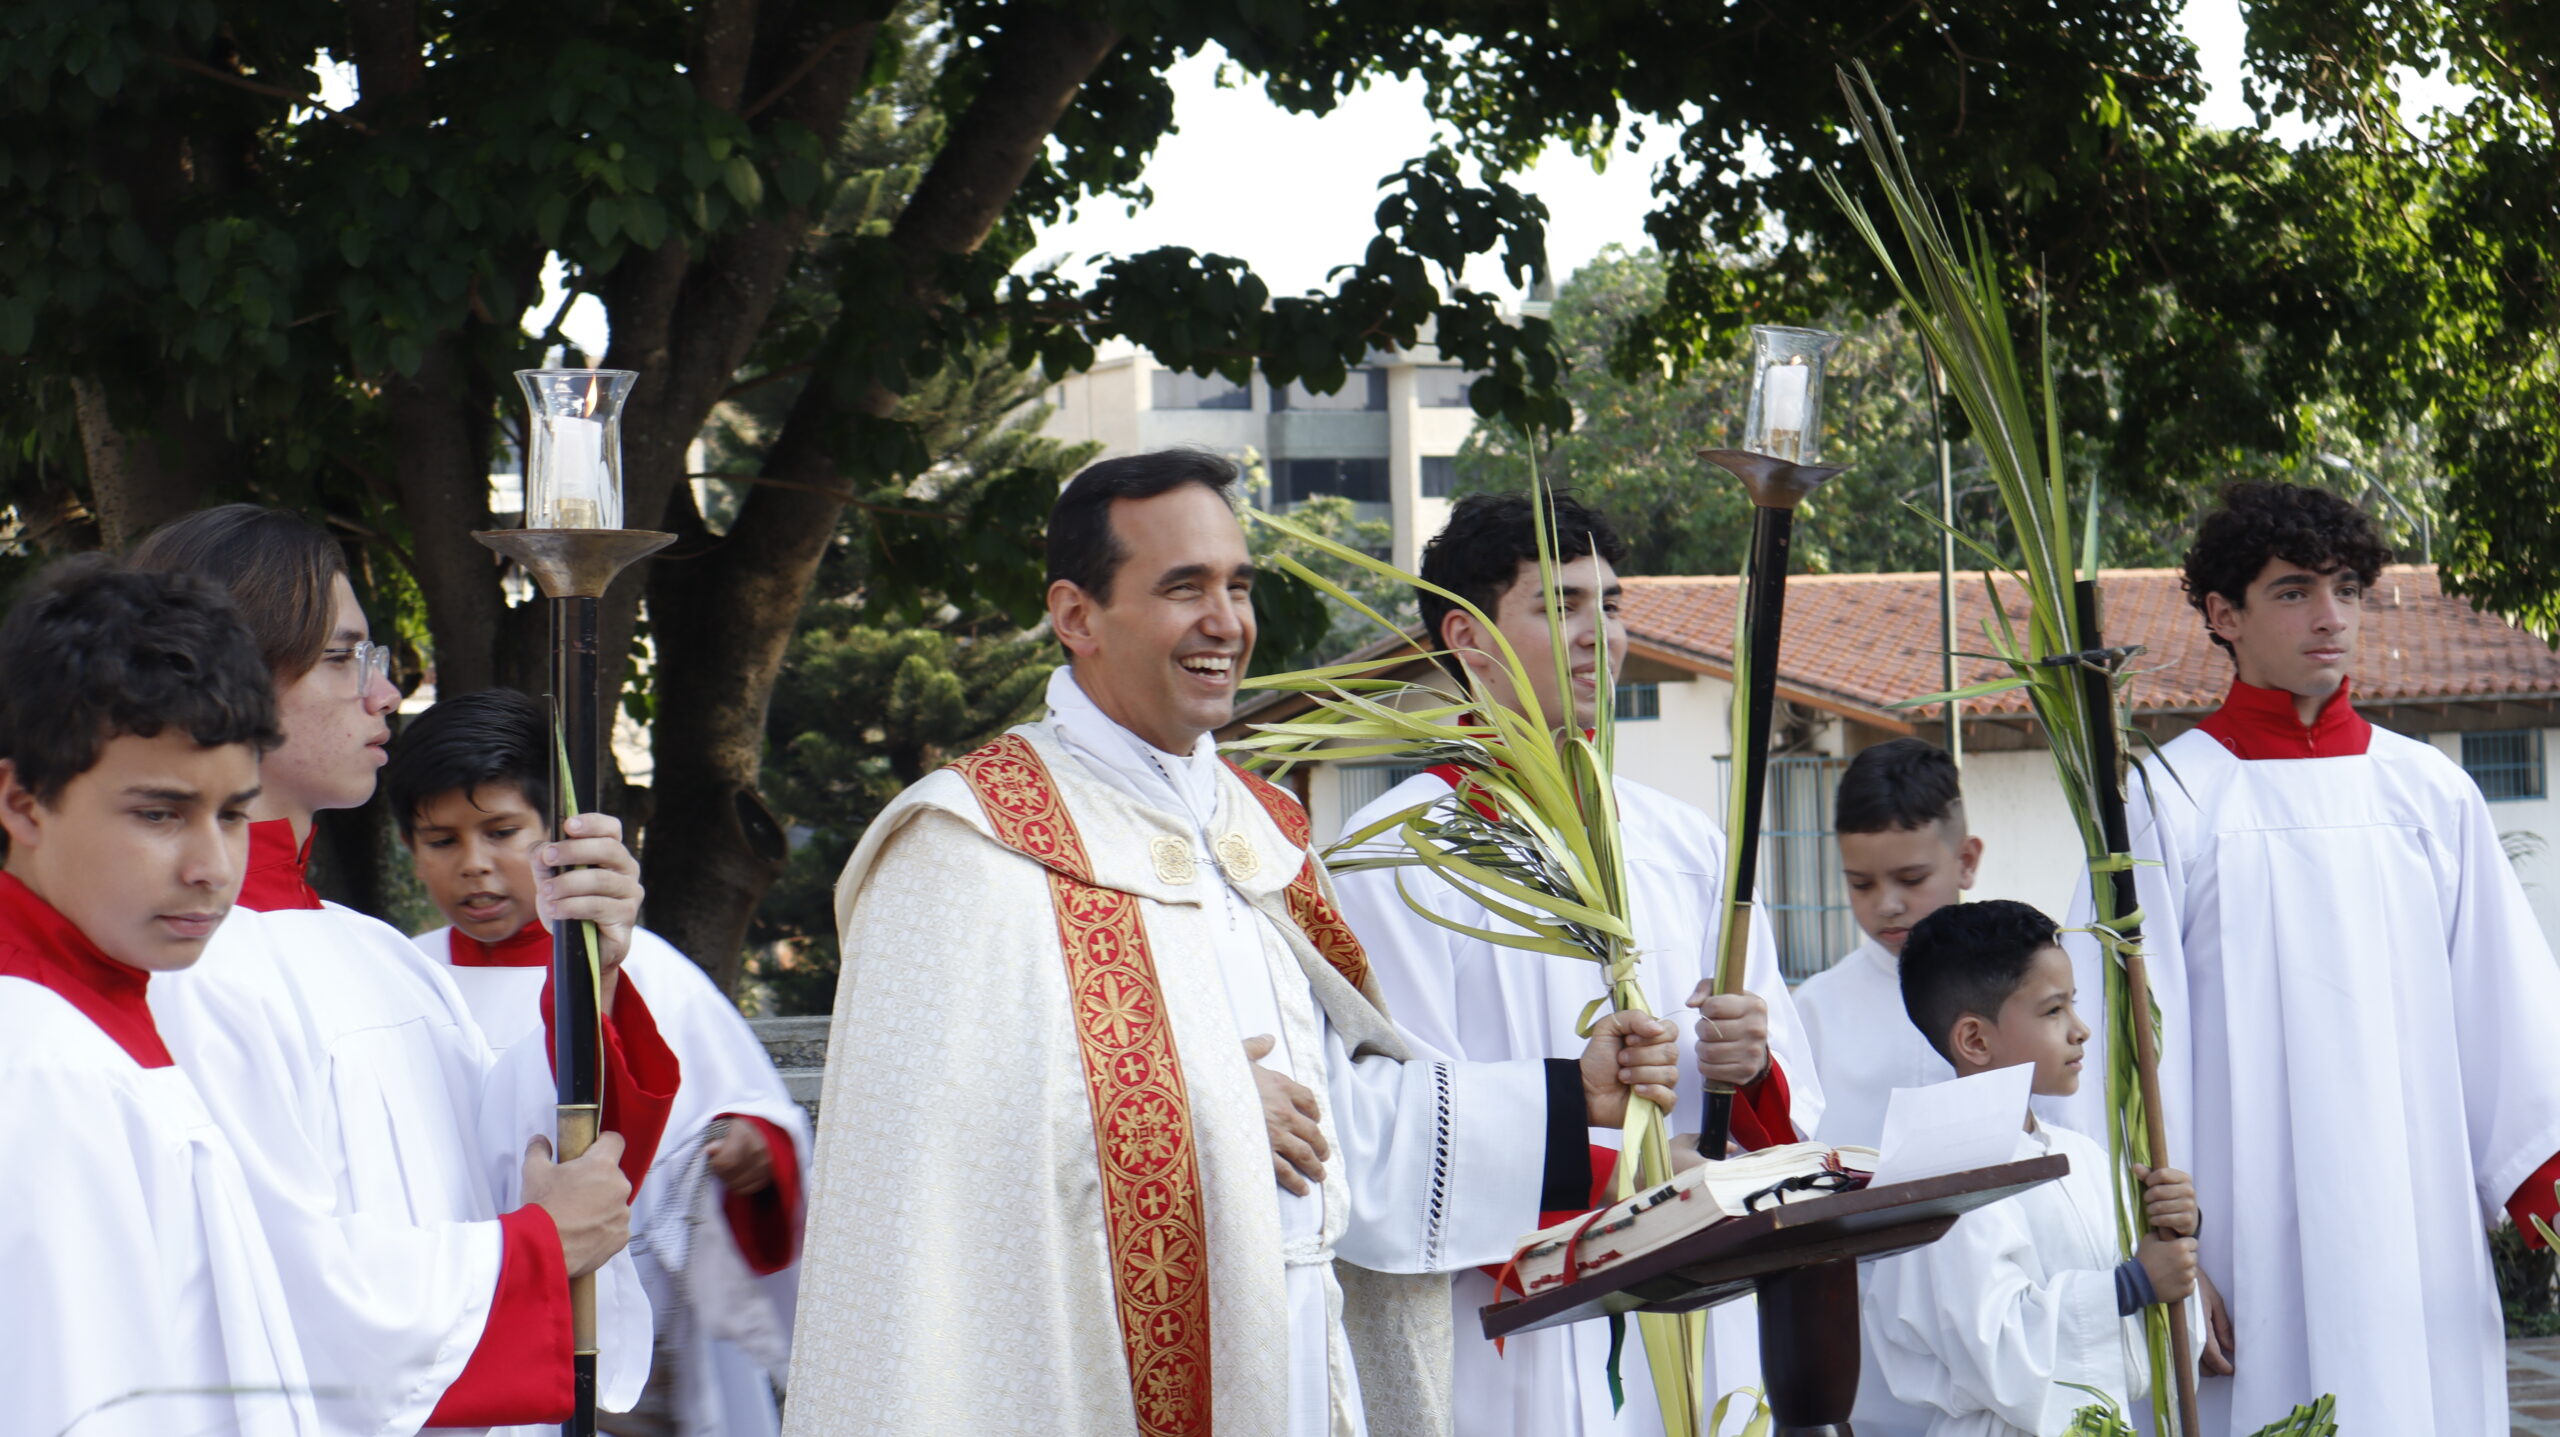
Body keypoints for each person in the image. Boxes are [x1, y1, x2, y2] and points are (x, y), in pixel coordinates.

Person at [785, 450, 1683, 1437]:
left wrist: (1569, 1097)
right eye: (1184, 588)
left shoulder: (1262, 832)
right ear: (1076, 615)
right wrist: (1195, 1097)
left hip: (1295, 1352)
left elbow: (1339, 1130)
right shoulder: (968, 842)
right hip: (1095, 1377)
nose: (1226, 622)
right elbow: (929, 1156)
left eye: (1238, 586)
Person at [129, 505, 682, 1436]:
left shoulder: (372, 949)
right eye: (347, 659)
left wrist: (593, 971)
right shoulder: (190, 969)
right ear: (234, 681)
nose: (386, 693)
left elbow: (509, 1161)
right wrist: (537, 1252)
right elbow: (286, 1298)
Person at [2053, 481, 2560, 1434]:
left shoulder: (2430, 795)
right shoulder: (2165, 805)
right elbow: (2116, 1060)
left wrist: (2543, 1191)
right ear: (2222, 614)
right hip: (2245, 1240)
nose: (2330, 618)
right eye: (2292, 591)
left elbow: (2511, 1015)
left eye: (2346, 589)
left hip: (2417, 1231)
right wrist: (2159, 1257)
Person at [1330, 491, 1821, 1437]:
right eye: (1561, 606)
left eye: (1613, 601)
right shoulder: (1396, 852)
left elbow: (1786, 1105)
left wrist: (1748, 1070)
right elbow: (1388, 1123)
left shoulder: (1683, 843)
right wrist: (1614, 1157)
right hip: (1514, 1326)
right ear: (1469, 637)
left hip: (1696, 1304)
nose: (1604, 633)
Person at [387, 687, 812, 1437]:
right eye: (441, 840)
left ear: (557, 832)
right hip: (461, 1336)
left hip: (642, 1365)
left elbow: (753, 1109)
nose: (475, 866)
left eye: (502, 830)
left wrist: (754, 1150)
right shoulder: (397, 981)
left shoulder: (646, 970)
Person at [0, 557, 320, 1437]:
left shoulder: (96, 1014)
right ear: (24, 804)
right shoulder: (41, 1067)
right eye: (158, 813)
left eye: (232, 814)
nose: (212, 866)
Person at [1867, 900, 2200, 1437]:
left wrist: (2172, 1228)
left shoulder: (2081, 1155)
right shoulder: (1938, 1174)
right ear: (1975, 1039)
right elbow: (1995, 1351)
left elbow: (2154, 1336)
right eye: (2053, 1011)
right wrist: (2132, 1285)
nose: (2081, 1030)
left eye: (2075, 1004)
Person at [1787, 736, 1974, 1436]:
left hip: (2016, 1333)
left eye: (1911, 876)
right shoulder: (1816, 1011)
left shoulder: (2028, 985)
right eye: (1860, 884)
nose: (1887, 905)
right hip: (1870, 1362)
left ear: (1968, 859)